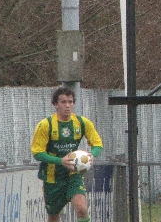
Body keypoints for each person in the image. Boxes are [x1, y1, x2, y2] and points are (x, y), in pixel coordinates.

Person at [31, 86, 103, 222]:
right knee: (53, 216)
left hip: (73, 174)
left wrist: (92, 154)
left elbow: (97, 143)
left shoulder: (82, 122)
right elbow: (37, 152)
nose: (67, 105)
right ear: (55, 104)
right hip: (52, 177)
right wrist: (60, 161)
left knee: (81, 208)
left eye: (70, 102)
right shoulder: (46, 125)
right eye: (63, 102)